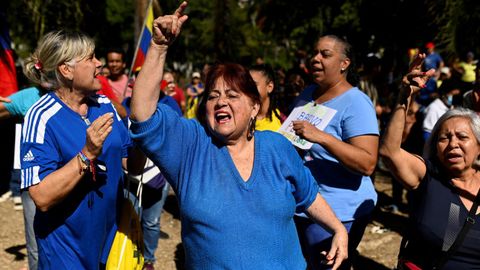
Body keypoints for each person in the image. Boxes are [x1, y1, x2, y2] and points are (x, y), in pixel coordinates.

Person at [129, 2, 348, 269]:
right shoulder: (191, 146)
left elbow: (308, 194)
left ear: (254, 107)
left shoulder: (277, 145)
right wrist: (159, 46)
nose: (221, 102)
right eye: (213, 96)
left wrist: (338, 228)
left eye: (232, 95)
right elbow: (142, 115)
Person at [21, 30, 142, 268]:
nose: (100, 64)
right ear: (66, 70)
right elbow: (41, 197)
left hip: (111, 243)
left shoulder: (105, 105)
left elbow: (133, 165)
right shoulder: (41, 116)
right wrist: (86, 154)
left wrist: (144, 136)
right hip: (64, 250)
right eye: (91, 58)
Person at [379, 54, 480, 269]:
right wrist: (405, 95)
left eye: (462, 137)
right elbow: (389, 152)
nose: (453, 144)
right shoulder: (429, 176)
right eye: (444, 137)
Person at [290, 34, 379, 270]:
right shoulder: (306, 95)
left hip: (338, 211)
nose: (315, 59)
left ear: (344, 64)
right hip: (301, 204)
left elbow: (368, 163)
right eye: (314, 53)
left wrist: (322, 137)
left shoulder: (356, 102)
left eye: (325, 54)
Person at [122, 91, 182, 270]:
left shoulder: (169, 103)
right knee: (131, 217)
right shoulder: (126, 103)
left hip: (157, 174)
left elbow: (175, 135)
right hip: (131, 174)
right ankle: (129, 256)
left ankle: (148, 260)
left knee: (151, 221)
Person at [249, 63, 284, 131]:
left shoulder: (282, 120)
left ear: (270, 87)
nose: (248, 88)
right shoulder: (239, 119)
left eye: (254, 84)